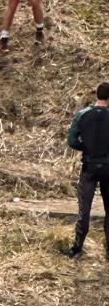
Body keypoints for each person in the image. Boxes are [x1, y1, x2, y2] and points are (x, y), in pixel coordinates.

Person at [63, 81, 109, 258]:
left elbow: (72, 141)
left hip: (89, 166)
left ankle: (77, 247)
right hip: (108, 166)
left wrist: (87, 146)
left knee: (84, 208)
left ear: (97, 95)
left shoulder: (83, 114)